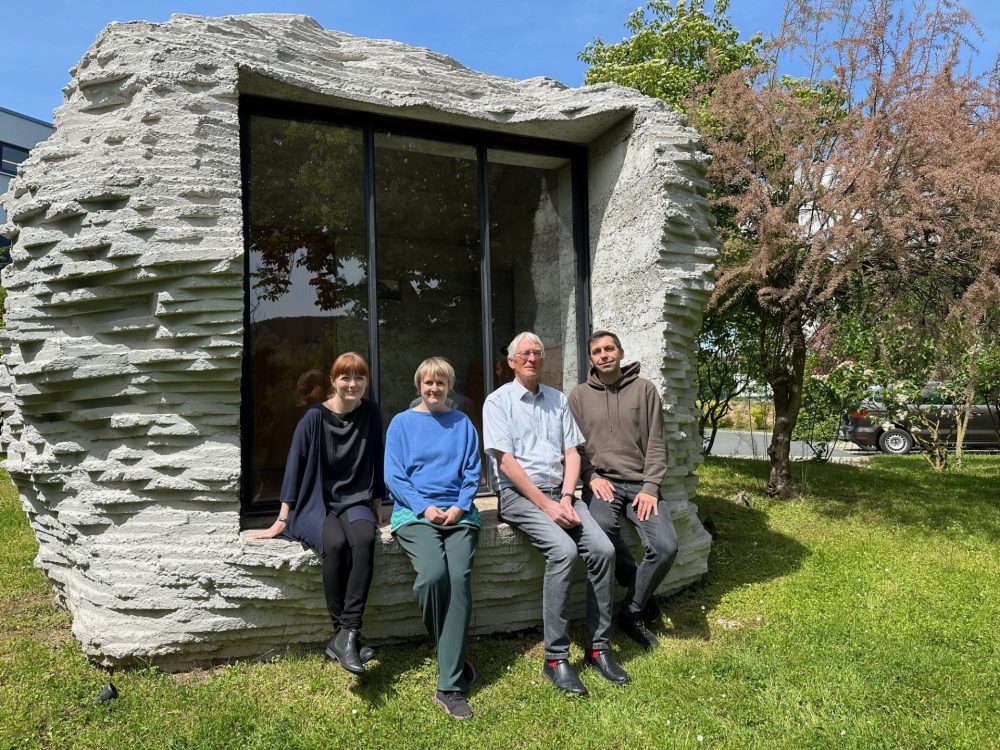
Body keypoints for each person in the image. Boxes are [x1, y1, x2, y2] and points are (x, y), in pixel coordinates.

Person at [483, 331, 628, 696]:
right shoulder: (497, 402)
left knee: (603, 550)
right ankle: (555, 658)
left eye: (537, 352)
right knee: (563, 551)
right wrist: (546, 505)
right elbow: (505, 462)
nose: (532, 358)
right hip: (519, 496)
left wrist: (565, 496)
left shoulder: (558, 399)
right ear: (512, 362)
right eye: (524, 353)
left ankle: (598, 648)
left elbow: (572, 453)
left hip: (560, 494)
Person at [253, 352, 384, 675]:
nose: (352, 384)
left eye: (359, 377)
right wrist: (282, 517)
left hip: (355, 500)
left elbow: (377, 456)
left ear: (366, 382)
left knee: (364, 539)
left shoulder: (371, 412)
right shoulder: (313, 417)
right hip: (316, 503)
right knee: (335, 545)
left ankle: (347, 634)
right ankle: (345, 636)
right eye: (345, 377)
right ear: (333, 381)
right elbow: (294, 465)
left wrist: (377, 500)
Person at [385, 357, 482, 720]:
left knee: (457, 578)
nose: (434, 389)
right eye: (428, 383)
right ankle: (450, 651)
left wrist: (458, 507)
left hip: (459, 515)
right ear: (419, 386)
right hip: (414, 515)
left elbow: (473, 471)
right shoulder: (401, 424)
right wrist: (424, 508)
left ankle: (450, 687)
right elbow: (394, 476)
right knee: (432, 576)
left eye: (440, 383)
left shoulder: (462, 423)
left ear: (448, 387)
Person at [568, 331, 678, 649]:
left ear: (620, 352)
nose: (604, 355)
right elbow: (574, 448)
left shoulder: (644, 390)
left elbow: (657, 443)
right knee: (601, 532)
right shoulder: (578, 396)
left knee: (666, 546)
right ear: (591, 359)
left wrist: (651, 486)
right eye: (597, 351)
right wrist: (590, 476)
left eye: (609, 349)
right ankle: (635, 585)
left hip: (642, 484)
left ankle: (631, 611)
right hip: (603, 482)